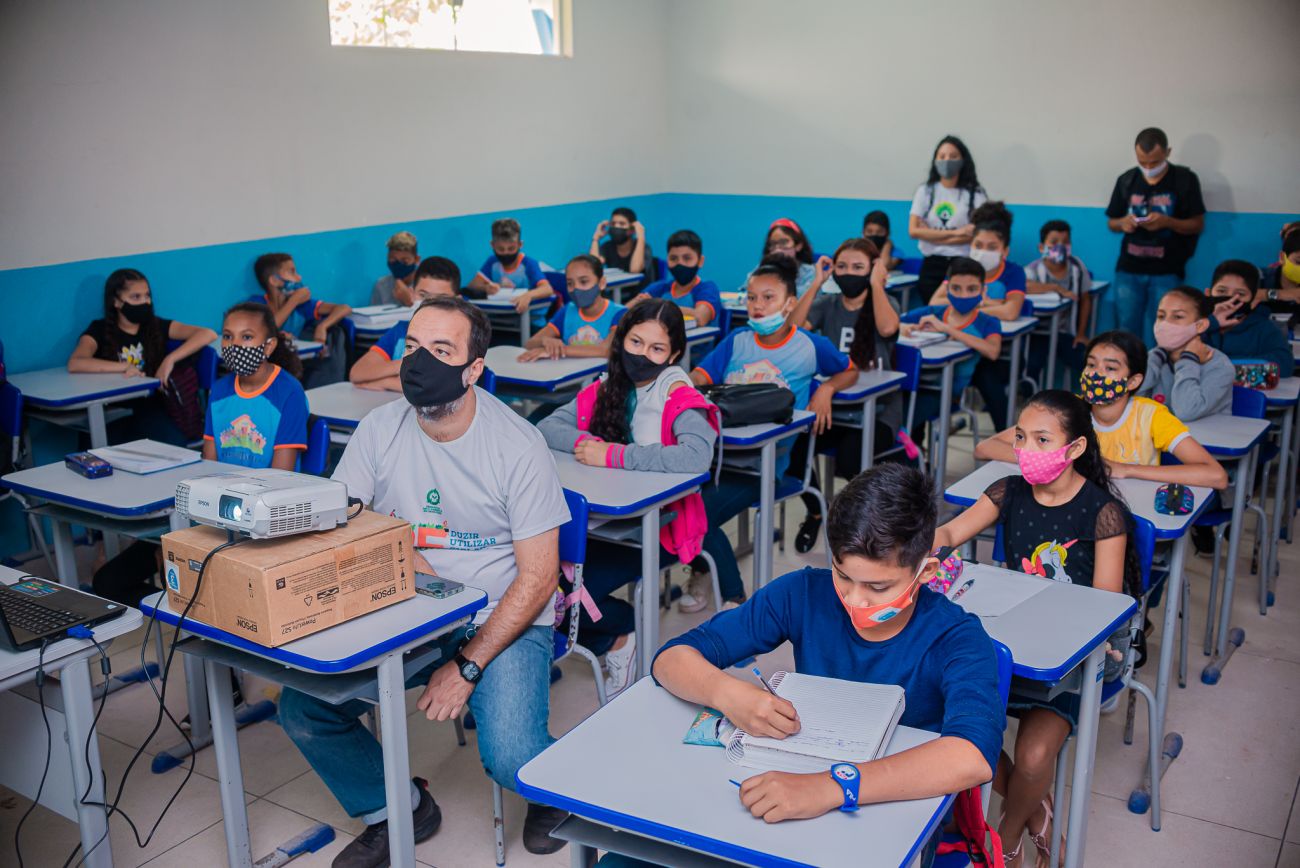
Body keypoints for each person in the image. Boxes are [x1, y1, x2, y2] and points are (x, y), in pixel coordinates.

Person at [277, 296, 572, 867]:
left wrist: (466, 666)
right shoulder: (378, 428)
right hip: (410, 606)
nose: (419, 362)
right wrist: (403, 551)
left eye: (440, 350)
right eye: (412, 346)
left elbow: (539, 579)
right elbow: (343, 520)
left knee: (512, 757)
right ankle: (398, 809)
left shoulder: (517, 445)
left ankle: (553, 789)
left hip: (499, 614)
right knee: (304, 708)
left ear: (473, 369)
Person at [652, 464, 1003, 868]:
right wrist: (729, 693)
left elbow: (972, 754)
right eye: (843, 575)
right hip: (790, 797)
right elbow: (671, 659)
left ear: (925, 572)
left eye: (878, 587)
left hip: (885, 820)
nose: (855, 599)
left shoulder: (956, 637)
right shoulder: (802, 593)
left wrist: (832, 787)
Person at [934, 390, 1138, 868]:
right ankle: (1038, 811)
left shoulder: (1103, 513)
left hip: (1075, 658)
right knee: (948, 721)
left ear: (1075, 448)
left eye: (1043, 440)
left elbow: (1102, 611)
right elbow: (950, 533)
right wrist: (925, 553)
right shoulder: (1008, 490)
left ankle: (1003, 840)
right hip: (1011, 641)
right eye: (1021, 437)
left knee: (1030, 760)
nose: (1027, 449)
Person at [537, 299, 719, 696]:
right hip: (606, 522)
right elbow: (549, 425)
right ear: (621, 340)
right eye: (635, 342)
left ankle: (623, 631)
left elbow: (696, 456)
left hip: (661, 527)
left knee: (566, 591)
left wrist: (612, 455)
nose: (642, 355)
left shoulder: (676, 394)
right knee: (538, 579)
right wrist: (587, 444)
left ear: (673, 355)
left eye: (657, 348)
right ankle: (610, 638)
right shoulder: (609, 385)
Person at [680, 255, 858, 611]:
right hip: (714, 457)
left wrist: (826, 388)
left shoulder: (809, 345)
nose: (757, 306)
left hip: (763, 467)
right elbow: (700, 376)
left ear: (789, 304)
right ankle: (703, 567)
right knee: (673, 505)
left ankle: (734, 598)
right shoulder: (737, 340)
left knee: (697, 513)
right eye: (751, 298)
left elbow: (850, 370)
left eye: (768, 298)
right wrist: (679, 385)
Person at [975, 330, 1228, 490]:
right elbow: (985, 448)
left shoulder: (1151, 416)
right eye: (1091, 365)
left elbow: (1215, 475)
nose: (1096, 375)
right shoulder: (1067, 409)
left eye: (1110, 368)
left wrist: (1125, 469)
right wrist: (1055, 460)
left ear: (1133, 381)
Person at [787, 238, 902, 552]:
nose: (849, 273)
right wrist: (815, 284)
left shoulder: (886, 302)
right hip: (834, 408)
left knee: (851, 460)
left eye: (858, 267)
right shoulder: (828, 304)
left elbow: (888, 328)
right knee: (792, 447)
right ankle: (817, 510)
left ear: (872, 270)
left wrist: (876, 283)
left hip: (879, 411)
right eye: (842, 266)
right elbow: (792, 330)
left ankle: (862, 525)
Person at [68, 268, 216, 445]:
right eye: (135, 297)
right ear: (116, 301)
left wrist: (169, 360)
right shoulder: (99, 330)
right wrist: (124, 366)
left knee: (174, 444)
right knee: (94, 448)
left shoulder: (157, 326)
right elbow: (76, 362)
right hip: (111, 410)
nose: (145, 302)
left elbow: (207, 334)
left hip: (149, 407)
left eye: (147, 296)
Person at [1103, 127, 1206, 343]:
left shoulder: (1184, 180)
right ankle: (1130, 365)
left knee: (1165, 332)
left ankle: (1160, 367)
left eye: (1155, 162)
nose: (1148, 168)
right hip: (1129, 269)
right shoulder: (1127, 180)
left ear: (1168, 152)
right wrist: (1123, 223)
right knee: (1125, 330)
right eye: (1143, 162)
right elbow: (1112, 222)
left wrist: (1168, 222)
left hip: (1167, 269)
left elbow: (1197, 224)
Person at [898, 257, 1002, 450]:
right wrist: (904, 327)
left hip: (945, 392)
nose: (963, 295)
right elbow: (893, 322)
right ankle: (915, 455)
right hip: (915, 384)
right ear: (946, 289)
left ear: (983, 290)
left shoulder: (987, 322)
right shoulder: (934, 312)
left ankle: (910, 454)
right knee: (893, 409)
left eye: (971, 289)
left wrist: (947, 329)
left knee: (904, 418)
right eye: (956, 288)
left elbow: (993, 351)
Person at [203, 302, 308, 469]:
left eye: (246, 337)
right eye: (228, 336)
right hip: (221, 484)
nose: (234, 345)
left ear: (268, 346)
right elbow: (209, 465)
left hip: (270, 486)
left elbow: (281, 475)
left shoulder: (290, 393)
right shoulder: (218, 391)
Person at [349, 257, 461, 391]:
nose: (430, 304)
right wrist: (407, 364)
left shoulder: (460, 337)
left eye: (441, 299)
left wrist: (385, 383)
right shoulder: (401, 331)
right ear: (412, 294)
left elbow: (439, 388)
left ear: (457, 301)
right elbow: (357, 373)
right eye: (423, 295)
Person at [251, 252, 353, 388]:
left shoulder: (302, 306)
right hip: (266, 370)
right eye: (292, 272)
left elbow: (344, 308)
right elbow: (267, 328)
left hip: (296, 367)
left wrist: (322, 327)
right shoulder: (256, 304)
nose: (299, 277)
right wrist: (294, 300)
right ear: (275, 280)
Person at [908, 135, 988, 306]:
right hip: (931, 265)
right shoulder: (925, 191)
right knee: (932, 310)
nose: (947, 161)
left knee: (960, 310)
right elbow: (913, 231)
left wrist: (929, 234)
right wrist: (959, 232)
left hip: (962, 264)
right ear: (935, 160)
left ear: (963, 160)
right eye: (942, 156)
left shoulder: (975, 194)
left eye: (953, 156)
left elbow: (977, 235)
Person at [1141, 286, 1235, 421]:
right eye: (1161, 316)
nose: (1165, 323)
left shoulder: (1220, 366)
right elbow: (1129, 397)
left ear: (1200, 325)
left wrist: (1189, 360)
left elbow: (1186, 412)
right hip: (1163, 433)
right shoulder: (1155, 358)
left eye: (1177, 316)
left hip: (1206, 434)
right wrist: (1156, 356)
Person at [1024, 219, 1094, 387]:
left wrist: (1081, 333)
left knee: (1085, 360)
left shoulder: (1076, 267)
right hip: (1038, 333)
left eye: (1065, 242)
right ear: (1041, 247)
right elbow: (1023, 287)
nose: (1060, 246)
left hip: (1066, 332)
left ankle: (1098, 397)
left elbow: (1086, 299)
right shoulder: (1032, 269)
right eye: (1054, 242)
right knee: (1032, 364)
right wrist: (1055, 288)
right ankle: (1027, 395)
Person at [518, 254, 627, 362]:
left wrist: (558, 350)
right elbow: (529, 343)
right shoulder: (567, 311)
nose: (576, 288)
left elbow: (605, 350)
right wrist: (545, 341)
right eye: (570, 283)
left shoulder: (620, 314)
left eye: (583, 282)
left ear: (602, 283)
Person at [930, 202, 1026, 321]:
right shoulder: (960, 268)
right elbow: (934, 302)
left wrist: (963, 308)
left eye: (992, 247)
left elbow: (1009, 312)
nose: (983, 252)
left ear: (1005, 251)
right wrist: (982, 302)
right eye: (978, 245)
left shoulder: (1014, 272)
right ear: (971, 244)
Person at [1204, 259, 1295, 375]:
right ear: (1208, 293)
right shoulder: (1197, 325)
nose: (1230, 299)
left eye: (1240, 294)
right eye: (1222, 291)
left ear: (1253, 301)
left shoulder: (1266, 329)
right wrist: (1211, 324)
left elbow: (1285, 365)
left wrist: (1223, 364)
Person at [465, 217, 554, 332]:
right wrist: (486, 288)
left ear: (520, 244)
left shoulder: (528, 264)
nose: (506, 253)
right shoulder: (493, 262)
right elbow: (472, 285)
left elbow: (547, 289)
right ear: (492, 245)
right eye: (501, 249)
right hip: (501, 322)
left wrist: (528, 295)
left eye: (511, 249)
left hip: (530, 323)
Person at [631, 229, 721, 327]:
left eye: (687, 258)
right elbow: (625, 311)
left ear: (700, 261)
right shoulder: (661, 287)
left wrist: (657, 306)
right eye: (673, 258)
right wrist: (638, 302)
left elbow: (700, 317)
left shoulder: (707, 288)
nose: (680, 263)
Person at [742, 218, 819, 296]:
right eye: (773, 244)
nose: (778, 249)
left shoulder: (811, 273)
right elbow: (744, 295)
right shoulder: (761, 269)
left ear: (798, 245)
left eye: (784, 242)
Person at [590, 206, 657, 290]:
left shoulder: (644, 247)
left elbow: (635, 269)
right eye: (613, 224)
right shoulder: (608, 246)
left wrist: (641, 237)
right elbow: (593, 267)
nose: (616, 227)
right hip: (615, 293)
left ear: (632, 229)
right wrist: (596, 238)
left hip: (640, 294)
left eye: (622, 224)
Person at [1257, 226, 1300, 316]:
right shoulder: (1259, 276)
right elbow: (1244, 294)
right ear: (1282, 257)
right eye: (1298, 262)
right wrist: (1281, 294)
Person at [369, 230, 420, 306]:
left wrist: (408, 302)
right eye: (393, 260)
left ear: (416, 259)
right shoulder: (381, 285)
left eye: (404, 261)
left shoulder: (425, 285)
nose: (398, 265)